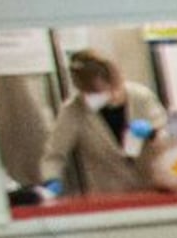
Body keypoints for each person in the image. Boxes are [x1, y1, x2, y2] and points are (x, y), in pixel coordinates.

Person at [44, 52, 163, 199]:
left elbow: (169, 138)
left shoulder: (141, 97)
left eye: (104, 90)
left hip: (152, 188)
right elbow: (55, 154)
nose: (101, 96)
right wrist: (50, 179)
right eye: (92, 92)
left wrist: (152, 133)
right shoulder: (74, 110)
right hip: (107, 194)